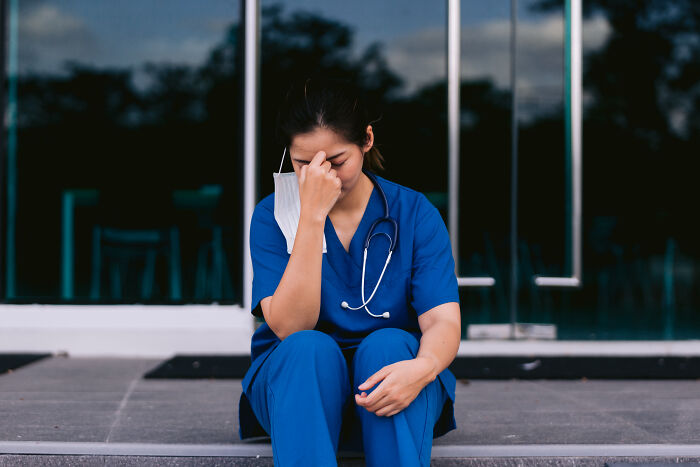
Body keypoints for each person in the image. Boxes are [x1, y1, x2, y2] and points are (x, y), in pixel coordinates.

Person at [238, 77, 461, 466]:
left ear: (367, 140)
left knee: (388, 345)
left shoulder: (414, 212)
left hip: (395, 391)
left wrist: (422, 369)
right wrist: (310, 217)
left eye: (336, 161)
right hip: (300, 397)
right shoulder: (272, 216)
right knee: (309, 348)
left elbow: (443, 320)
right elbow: (292, 327)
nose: (322, 176)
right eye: (303, 164)